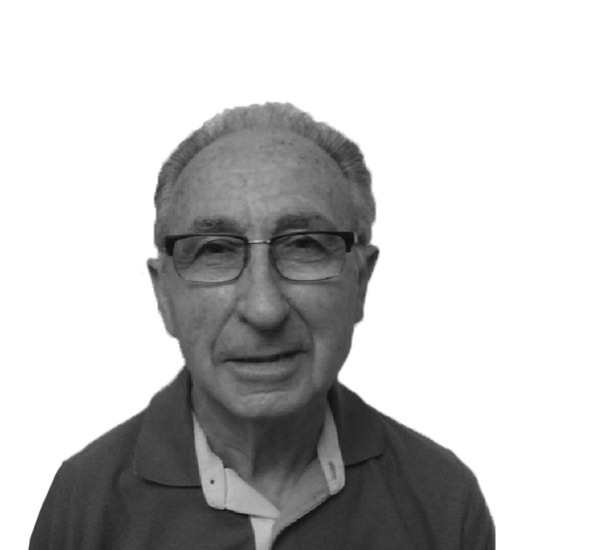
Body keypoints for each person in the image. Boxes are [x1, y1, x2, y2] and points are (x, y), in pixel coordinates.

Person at [30, 103, 495, 549]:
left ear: (361, 282)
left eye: (305, 246)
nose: (264, 309)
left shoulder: (443, 500)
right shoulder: (83, 505)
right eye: (215, 250)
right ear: (163, 295)